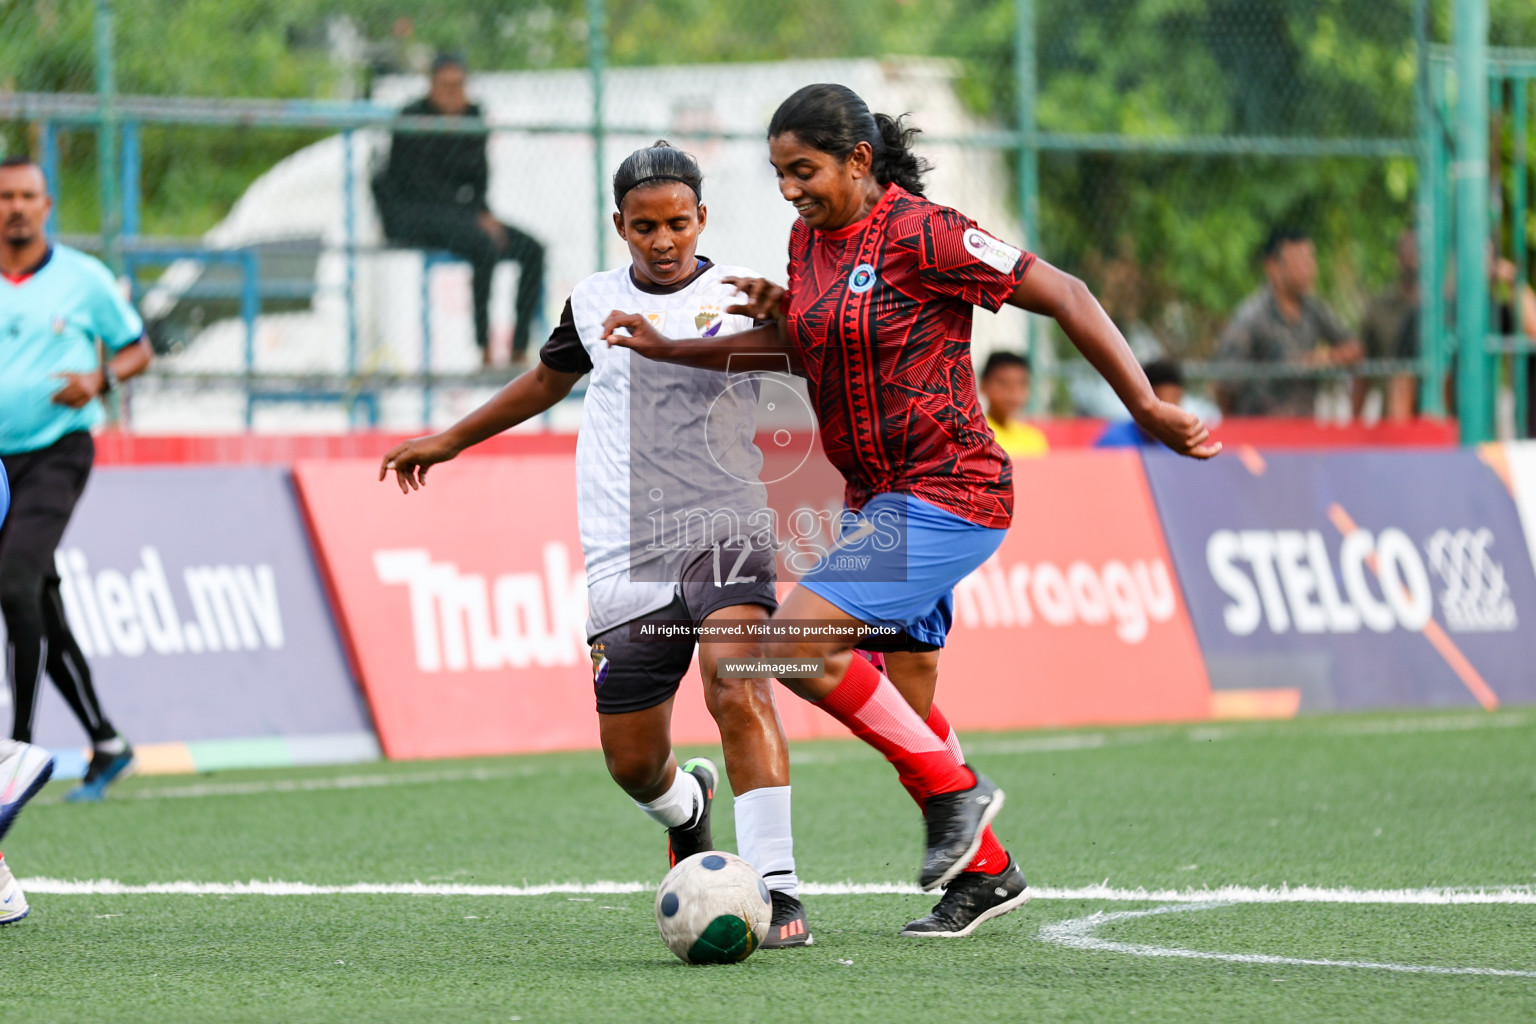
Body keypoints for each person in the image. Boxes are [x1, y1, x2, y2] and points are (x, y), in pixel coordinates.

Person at [604, 84, 1219, 937]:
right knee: (907, 700)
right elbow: (800, 345)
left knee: (790, 643)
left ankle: (956, 792)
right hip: (876, 503)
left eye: (804, 170)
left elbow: (1068, 292)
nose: (790, 189)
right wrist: (676, 349)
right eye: (780, 173)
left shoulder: (926, 233)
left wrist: (1145, 406)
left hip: (950, 492)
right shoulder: (807, 242)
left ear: (859, 159)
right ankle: (990, 872)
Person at [380, 142, 814, 947]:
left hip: (726, 528)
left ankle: (779, 891)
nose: (662, 239)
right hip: (625, 551)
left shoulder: (744, 297)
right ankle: (688, 809)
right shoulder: (591, 302)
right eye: (644, 226)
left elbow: (808, 370)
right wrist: (449, 440)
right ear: (620, 226)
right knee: (632, 763)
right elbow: (545, 382)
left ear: (702, 220)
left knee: (737, 685)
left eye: (677, 223)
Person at [0, 154, 148, 804]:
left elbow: (138, 346)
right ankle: (106, 740)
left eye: (28, 195)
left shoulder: (83, 279)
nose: (16, 207)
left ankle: (20, 748)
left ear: (47, 205)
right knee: (36, 597)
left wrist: (100, 379)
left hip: (58, 451)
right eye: (5, 196)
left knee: (12, 579)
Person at [373, 52, 546, 367]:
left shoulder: (472, 117)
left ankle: (519, 347)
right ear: (431, 85)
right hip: (414, 214)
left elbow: (477, 179)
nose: (453, 93)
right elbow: (416, 186)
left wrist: (482, 212)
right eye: (445, 85)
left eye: (459, 85)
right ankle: (484, 348)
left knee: (532, 249)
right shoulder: (412, 118)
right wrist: (474, 216)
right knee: (482, 245)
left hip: (463, 214)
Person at [1214, 226, 1362, 417]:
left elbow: (1355, 348)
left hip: (1304, 430)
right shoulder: (1250, 318)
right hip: (1260, 430)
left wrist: (1322, 359)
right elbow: (1224, 386)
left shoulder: (1314, 310)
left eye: (1311, 261)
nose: (1309, 270)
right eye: (1300, 262)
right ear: (1273, 266)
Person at [1356, 229, 1419, 422]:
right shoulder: (1380, 307)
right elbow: (1362, 365)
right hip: (1395, 418)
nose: (1411, 256)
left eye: (1416, 249)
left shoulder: (1446, 306)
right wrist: (1354, 422)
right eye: (1406, 250)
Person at [1094, 360, 1187, 448]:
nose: (1174, 410)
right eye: (1164, 402)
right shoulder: (1113, 444)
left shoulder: (1178, 445)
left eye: (1176, 400)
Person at [978, 351, 1048, 458]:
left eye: (1021, 384)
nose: (1013, 392)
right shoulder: (976, 437)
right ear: (984, 385)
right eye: (1003, 383)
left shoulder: (1034, 439)